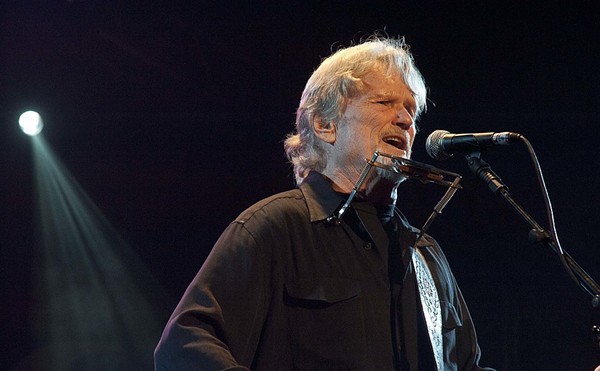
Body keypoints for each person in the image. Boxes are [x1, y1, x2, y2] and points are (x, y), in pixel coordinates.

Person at [154, 36, 495, 370]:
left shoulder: (425, 254)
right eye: (384, 103)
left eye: (411, 110)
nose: (405, 120)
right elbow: (184, 346)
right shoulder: (274, 228)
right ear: (325, 124)